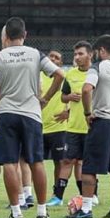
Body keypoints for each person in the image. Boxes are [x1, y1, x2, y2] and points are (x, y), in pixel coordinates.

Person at [0, 17, 65, 218]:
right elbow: (59, 75)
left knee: (9, 163)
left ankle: (16, 212)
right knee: (36, 162)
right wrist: (46, 99)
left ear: (6, 36)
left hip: (7, 113)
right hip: (31, 114)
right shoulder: (35, 54)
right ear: (25, 35)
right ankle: (42, 211)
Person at [67, 35, 110, 218]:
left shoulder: (98, 67)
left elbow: (87, 89)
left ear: (102, 50)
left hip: (102, 121)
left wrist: (87, 113)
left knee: (89, 168)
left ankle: (86, 209)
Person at [47, 41, 92, 206]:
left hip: (90, 127)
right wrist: (69, 98)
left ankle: (90, 195)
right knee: (67, 161)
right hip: (73, 127)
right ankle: (57, 197)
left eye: (80, 54)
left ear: (90, 55)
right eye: (75, 54)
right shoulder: (70, 75)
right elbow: (62, 97)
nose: (77, 57)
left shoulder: (96, 73)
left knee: (87, 163)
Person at [40, 50, 68, 208]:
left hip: (58, 127)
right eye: (51, 56)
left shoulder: (64, 77)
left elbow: (76, 96)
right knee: (36, 163)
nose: (53, 59)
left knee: (60, 162)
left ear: (61, 63)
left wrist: (69, 112)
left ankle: (57, 195)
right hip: (39, 126)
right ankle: (33, 194)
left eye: (57, 57)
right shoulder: (37, 76)